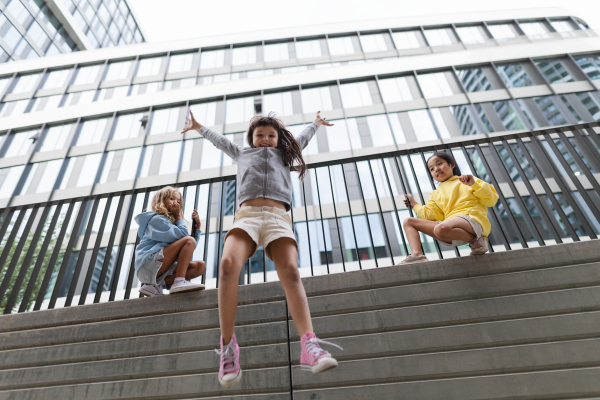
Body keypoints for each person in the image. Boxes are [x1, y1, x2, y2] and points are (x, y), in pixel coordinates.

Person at [182, 111, 342, 388]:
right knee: (227, 265)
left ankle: (309, 346)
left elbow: (301, 138)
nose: (265, 139)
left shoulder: (283, 155)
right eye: (260, 135)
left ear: (278, 139)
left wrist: (315, 124)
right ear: (251, 139)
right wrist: (198, 127)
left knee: (291, 271)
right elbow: (219, 140)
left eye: (271, 135)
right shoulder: (242, 153)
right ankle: (228, 347)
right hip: (248, 216)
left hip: (278, 218)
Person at [400, 151, 499, 264]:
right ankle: (417, 255)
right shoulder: (435, 194)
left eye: (439, 164)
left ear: (452, 165)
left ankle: (477, 239)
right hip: (451, 228)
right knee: (409, 222)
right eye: (431, 169)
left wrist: (473, 185)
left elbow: (491, 200)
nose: (436, 169)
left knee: (441, 227)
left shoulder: (466, 180)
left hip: (472, 219)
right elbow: (431, 215)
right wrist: (415, 205)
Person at [134, 186, 207, 296]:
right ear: (161, 201)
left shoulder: (170, 225)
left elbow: (189, 247)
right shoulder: (156, 220)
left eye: (178, 201)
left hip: (158, 266)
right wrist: (179, 216)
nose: (176, 203)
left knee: (200, 266)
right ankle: (179, 281)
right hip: (148, 264)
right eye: (172, 199)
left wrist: (198, 227)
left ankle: (156, 285)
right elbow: (184, 238)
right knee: (188, 240)